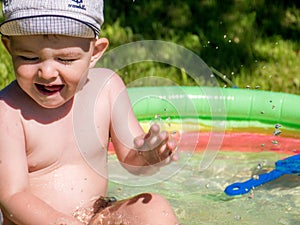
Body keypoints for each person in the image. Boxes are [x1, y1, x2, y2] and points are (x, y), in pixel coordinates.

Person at [0, 0, 180, 224]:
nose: (46, 72)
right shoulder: (7, 110)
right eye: (28, 57)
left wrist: (148, 155)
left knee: (155, 208)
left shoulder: (107, 89)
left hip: (97, 216)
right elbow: (12, 196)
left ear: (95, 52)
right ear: (10, 47)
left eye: (65, 59)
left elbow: (131, 157)